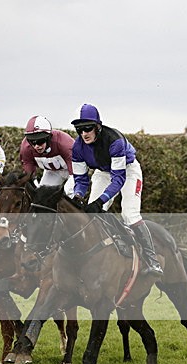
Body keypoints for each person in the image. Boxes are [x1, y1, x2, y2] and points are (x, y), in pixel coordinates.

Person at [70, 103, 163, 276]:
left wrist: (100, 201)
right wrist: (78, 195)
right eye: (79, 129)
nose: (84, 134)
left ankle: (152, 260)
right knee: (92, 216)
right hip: (102, 172)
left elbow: (119, 179)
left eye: (88, 128)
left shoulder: (115, 141)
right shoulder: (77, 147)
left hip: (127, 171)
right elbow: (81, 180)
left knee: (129, 215)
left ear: (98, 127)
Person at [19, 115, 75, 195]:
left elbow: (76, 175)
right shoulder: (26, 148)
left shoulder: (64, 143)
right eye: (32, 141)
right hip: (53, 171)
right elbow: (29, 176)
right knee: (42, 196)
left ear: (48, 137)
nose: (36, 146)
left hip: (74, 170)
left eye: (40, 141)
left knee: (68, 194)